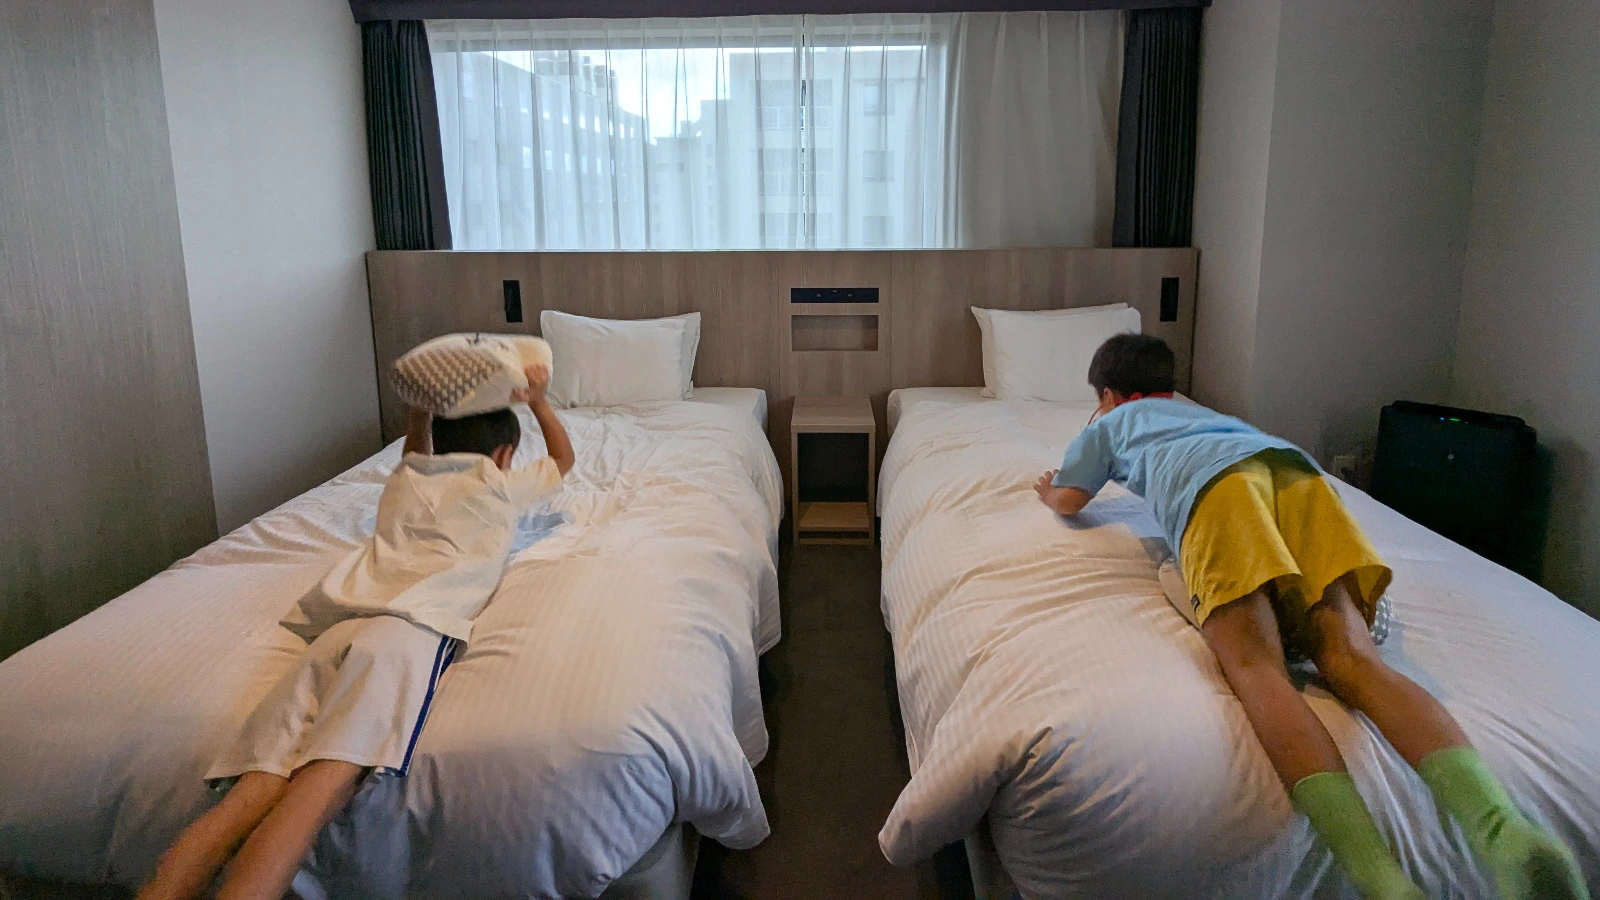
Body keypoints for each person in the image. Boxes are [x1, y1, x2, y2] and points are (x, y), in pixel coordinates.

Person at [1032, 334, 1587, 900]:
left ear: (1108, 393)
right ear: (1169, 385)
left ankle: (1382, 880)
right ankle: (1505, 832)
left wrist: (1049, 490)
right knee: (1355, 660)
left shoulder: (1108, 423)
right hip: (1302, 480)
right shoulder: (1208, 414)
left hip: (1221, 496)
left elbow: (1073, 499)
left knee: (1257, 668)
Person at [138, 364, 575, 900]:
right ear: (505, 456)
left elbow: (414, 454)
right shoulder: (498, 485)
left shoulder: (406, 480)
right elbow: (562, 461)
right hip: (406, 635)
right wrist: (540, 403)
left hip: (337, 632)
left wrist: (418, 414)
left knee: (245, 801)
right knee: (302, 812)